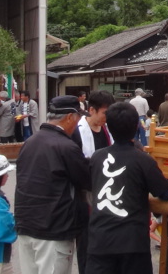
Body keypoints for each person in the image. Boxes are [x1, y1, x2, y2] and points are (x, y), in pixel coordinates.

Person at [86, 102, 168, 274]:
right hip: (132, 242)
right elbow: (165, 193)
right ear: (136, 127)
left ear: (108, 127)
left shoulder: (97, 158)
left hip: (100, 240)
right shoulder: (143, 160)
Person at [14, 95, 91, 274]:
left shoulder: (30, 142)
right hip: (54, 227)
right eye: (78, 117)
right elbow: (87, 181)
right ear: (70, 117)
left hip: (26, 224)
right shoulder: (66, 146)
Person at [70, 90, 116, 274]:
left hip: (106, 193)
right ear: (91, 110)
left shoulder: (108, 130)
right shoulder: (77, 132)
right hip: (86, 194)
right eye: (105, 113)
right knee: (87, 243)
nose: (107, 117)